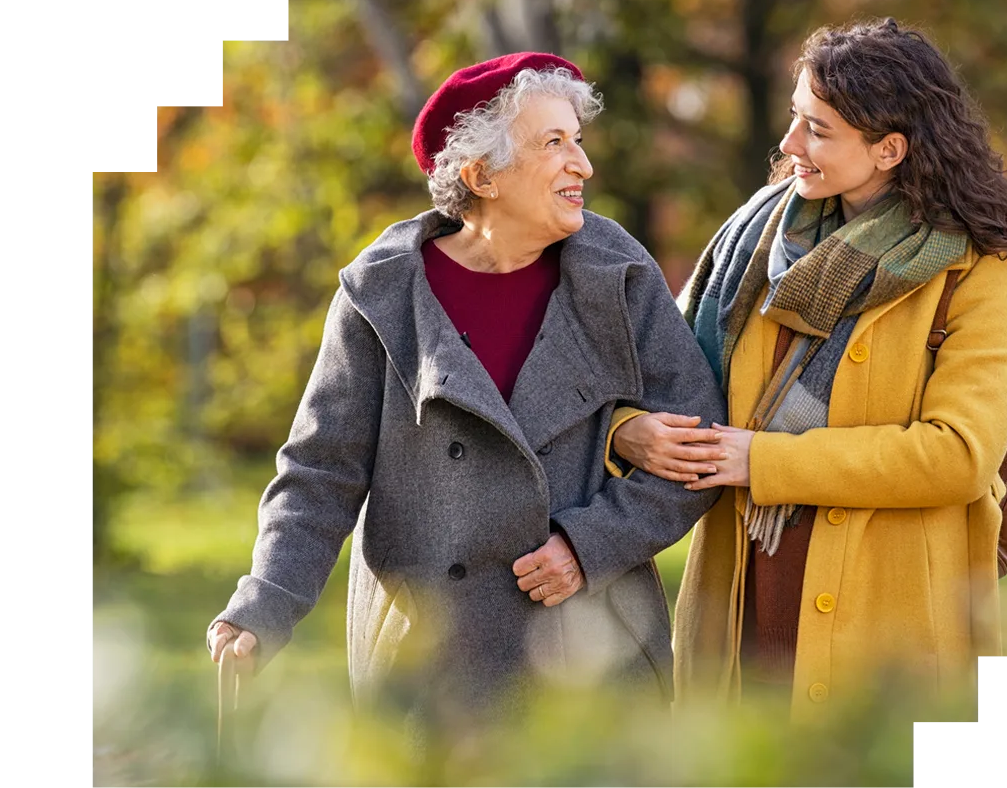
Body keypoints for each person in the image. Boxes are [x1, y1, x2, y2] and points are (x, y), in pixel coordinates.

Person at [205, 52, 727, 743]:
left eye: (578, 139)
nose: (583, 165)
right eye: (554, 143)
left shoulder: (619, 273)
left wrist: (589, 542)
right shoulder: (382, 293)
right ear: (482, 175)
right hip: (430, 662)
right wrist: (262, 604)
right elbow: (320, 473)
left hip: (592, 652)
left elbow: (698, 446)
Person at [608, 18, 1007, 723]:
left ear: (889, 149)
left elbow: (959, 453)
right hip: (742, 598)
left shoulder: (985, 267)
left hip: (889, 620)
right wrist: (630, 431)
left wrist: (766, 460)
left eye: (817, 129)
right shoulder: (754, 241)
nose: (789, 146)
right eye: (794, 118)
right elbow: (651, 375)